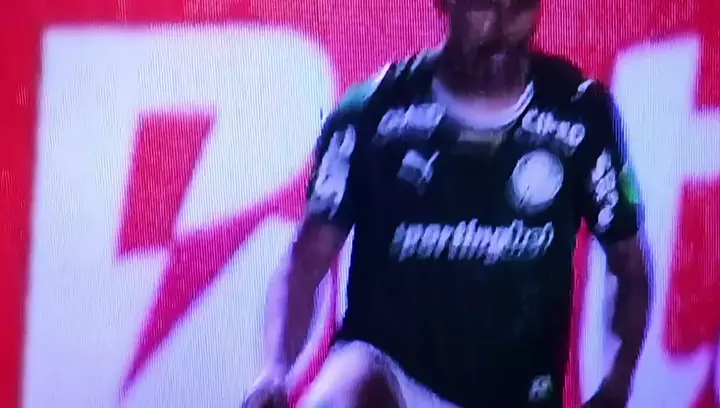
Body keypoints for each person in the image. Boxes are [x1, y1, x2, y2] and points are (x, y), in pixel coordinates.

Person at [243, 0, 650, 406]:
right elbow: (306, 260)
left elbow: (629, 267)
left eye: (520, 7)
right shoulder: (372, 111)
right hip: (390, 375)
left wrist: (616, 384)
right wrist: (275, 370)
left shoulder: (582, 116)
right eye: (484, 5)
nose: (502, 27)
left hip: (514, 393)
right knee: (348, 385)